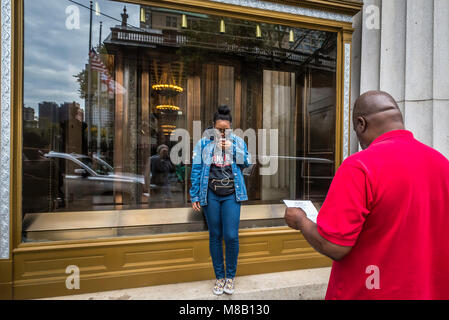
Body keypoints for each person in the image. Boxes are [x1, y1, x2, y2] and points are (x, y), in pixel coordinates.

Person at [284, 90, 449, 300]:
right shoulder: (442, 163)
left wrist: (300, 220)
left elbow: (334, 245)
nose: (359, 138)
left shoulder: (359, 166)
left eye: (355, 130)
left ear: (361, 124)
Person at [190, 105, 251, 295]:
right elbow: (197, 169)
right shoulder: (203, 144)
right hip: (210, 194)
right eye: (219, 129)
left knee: (231, 236)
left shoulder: (237, 142)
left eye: (226, 129)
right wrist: (194, 194)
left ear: (231, 128)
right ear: (213, 127)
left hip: (232, 194)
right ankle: (220, 277)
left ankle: (230, 277)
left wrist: (233, 150)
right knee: (215, 236)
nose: (223, 133)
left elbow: (247, 163)